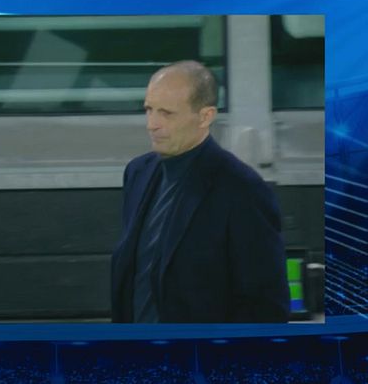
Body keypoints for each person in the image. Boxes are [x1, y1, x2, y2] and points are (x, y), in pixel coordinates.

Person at [110, 60, 289, 323]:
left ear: (205, 117)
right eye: (149, 109)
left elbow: (265, 305)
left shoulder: (242, 189)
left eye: (166, 113)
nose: (152, 124)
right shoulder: (138, 173)